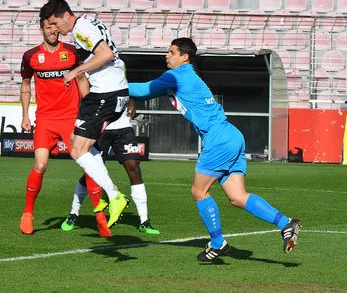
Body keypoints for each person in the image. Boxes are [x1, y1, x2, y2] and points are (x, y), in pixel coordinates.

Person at [128, 37, 301, 262]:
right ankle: (285, 223)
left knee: (199, 191)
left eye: (171, 52)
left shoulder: (177, 75)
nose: (167, 56)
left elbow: (144, 90)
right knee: (238, 197)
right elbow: (150, 92)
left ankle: (218, 243)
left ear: (185, 57)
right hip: (231, 135)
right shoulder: (187, 76)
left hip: (218, 139)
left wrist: (109, 86)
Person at [40, 0, 130, 229]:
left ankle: (114, 195)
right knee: (78, 144)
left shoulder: (80, 29)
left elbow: (106, 54)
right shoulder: (89, 21)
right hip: (110, 91)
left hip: (107, 93)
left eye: (54, 23)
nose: (55, 29)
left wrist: (74, 72)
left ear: (64, 16)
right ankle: (110, 194)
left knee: (78, 150)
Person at [18, 10, 109, 235]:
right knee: (40, 165)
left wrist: (88, 111)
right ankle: (27, 213)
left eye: (54, 26)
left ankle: (99, 216)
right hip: (46, 119)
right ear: (41, 30)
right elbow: (26, 85)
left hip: (71, 117)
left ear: (59, 27)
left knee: (88, 165)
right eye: (47, 27)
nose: (52, 30)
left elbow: (81, 79)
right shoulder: (30, 56)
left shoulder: (71, 52)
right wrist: (25, 115)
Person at [61, 101, 160, 235]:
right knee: (90, 174)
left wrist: (131, 101)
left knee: (134, 167)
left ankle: (144, 221)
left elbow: (124, 85)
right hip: (99, 129)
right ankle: (74, 213)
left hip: (123, 127)